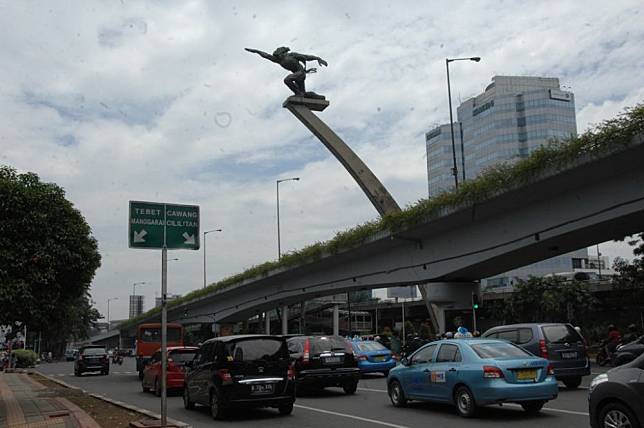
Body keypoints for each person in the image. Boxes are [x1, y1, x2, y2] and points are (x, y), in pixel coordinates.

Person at [245, 46, 328, 98]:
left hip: (300, 73)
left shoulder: (291, 55)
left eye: (280, 55)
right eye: (278, 56)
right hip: (297, 76)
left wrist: (318, 58)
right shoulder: (278, 60)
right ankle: (316, 96)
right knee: (303, 93)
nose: (279, 57)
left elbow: (306, 57)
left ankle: (299, 94)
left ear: (283, 53)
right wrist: (256, 51)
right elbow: (266, 55)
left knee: (287, 80)